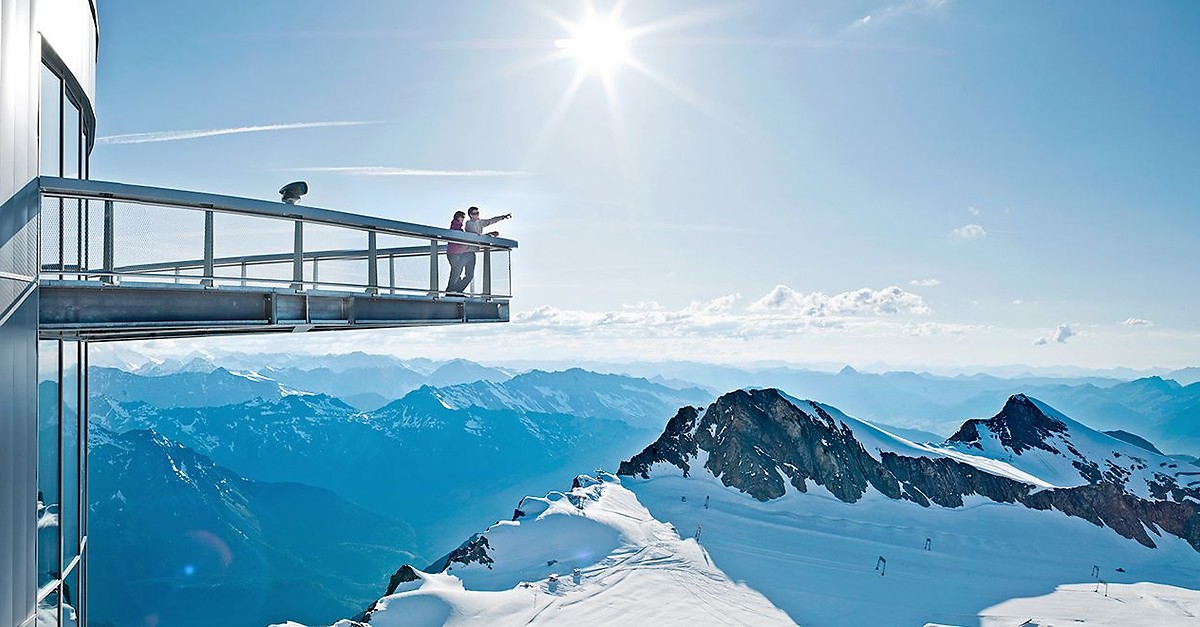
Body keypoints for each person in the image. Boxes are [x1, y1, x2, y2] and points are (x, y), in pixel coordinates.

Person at [456, 206, 512, 292]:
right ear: (470, 215)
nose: (477, 215)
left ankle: (457, 291)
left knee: (469, 276)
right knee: (458, 273)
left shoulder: (480, 222)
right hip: (466, 252)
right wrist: (489, 234)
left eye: (477, 213)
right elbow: (476, 236)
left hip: (472, 252)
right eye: (474, 213)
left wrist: (503, 217)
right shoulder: (469, 223)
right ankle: (453, 291)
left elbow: (491, 220)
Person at [445, 211, 471, 295]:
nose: (463, 219)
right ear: (458, 217)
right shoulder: (456, 226)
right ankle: (450, 291)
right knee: (456, 271)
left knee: (457, 271)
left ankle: (454, 291)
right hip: (454, 253)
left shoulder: (457, 226)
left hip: (455, 253)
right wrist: (466, 246)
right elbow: (458, 240)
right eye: (462, 217)